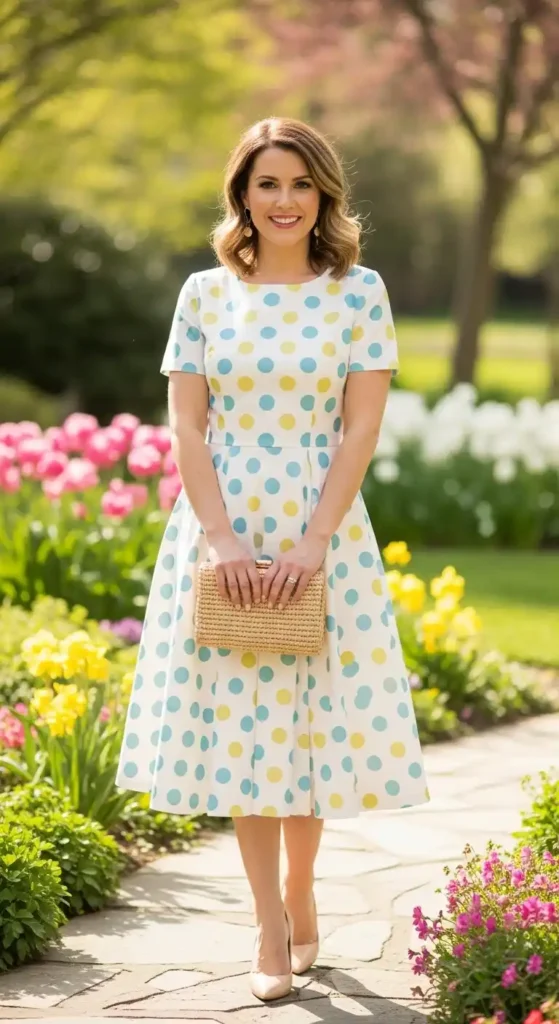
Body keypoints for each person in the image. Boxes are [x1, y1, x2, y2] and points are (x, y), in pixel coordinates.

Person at [115, 116, 429, 1002]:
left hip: (321, 523)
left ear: (323, 192)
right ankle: (265, 920)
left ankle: (301, 885)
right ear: (242, 197)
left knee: (308, 726)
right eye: (266, 184)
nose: (283, 200)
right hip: (224, 524)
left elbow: (361, 426)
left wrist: (313, 540)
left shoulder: (358, 291)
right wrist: (221, 539)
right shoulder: (203, 295)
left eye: (299, 183)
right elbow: (186, 423)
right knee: (249, 733)